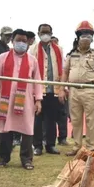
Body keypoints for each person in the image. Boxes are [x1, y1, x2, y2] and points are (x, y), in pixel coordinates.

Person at [0, 29, 42, 169]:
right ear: (12, 41)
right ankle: (3, 158)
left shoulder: (32, 60)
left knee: (26, 128)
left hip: (26, 101)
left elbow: (37, 81)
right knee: (4, 128)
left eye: (24, 41)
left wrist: (38, 100)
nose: (21, 43)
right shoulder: (2, 57)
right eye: (18, 40)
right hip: (6, 99)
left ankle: (26, 159)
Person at [59, 21, 94, 156]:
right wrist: (62, 89)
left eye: (88, 34)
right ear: (77, 36)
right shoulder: (71, 54)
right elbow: (65, 72)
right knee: (76, 119)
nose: (85, 37)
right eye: (83, 34)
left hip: (90, 89)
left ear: (92, 37)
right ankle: (77, 146)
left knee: (92, 120)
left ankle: (91, 147)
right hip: (73, 90)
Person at [29, 23, 63, 156]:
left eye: (48, 32)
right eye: (43, 32)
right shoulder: (32, 49)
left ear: (51, 33)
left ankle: (50, 145)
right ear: (38, 34)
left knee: (51, 119)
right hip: (37, 89)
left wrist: (62, 88)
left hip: (53, 89)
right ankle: (37, 146)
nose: (45, 35)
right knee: (37, 119)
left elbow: (62, 69)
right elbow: (30, 69)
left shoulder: (58, 49)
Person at [52, 36, 68, 146]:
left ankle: (62, 138)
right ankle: (48, 139)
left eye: (55, 43)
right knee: (50, 117)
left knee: (63, 115)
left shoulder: (62, 56)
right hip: (49, 91)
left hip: (61, 89)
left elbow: (66, 72)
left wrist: (65, 88)